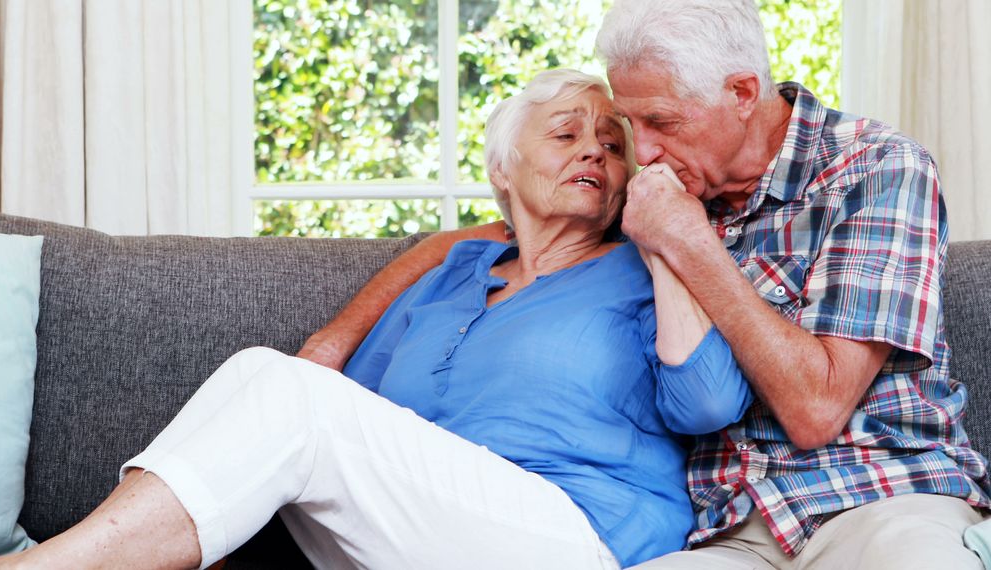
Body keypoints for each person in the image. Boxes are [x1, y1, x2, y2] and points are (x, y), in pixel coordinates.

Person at [299, 1, 991, 568]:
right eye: (632, 125)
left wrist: (687, 242)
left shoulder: (872, 169)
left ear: (743, 92)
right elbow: (506, 235)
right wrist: (334, 342)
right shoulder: (654, 197)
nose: (642, 151)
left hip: (882, 496)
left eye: (659, 122)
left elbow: (816, 410)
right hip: (725, 531)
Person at [0, 69, 751, 570]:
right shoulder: (452, 275)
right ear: (501, 169)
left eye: (612, 146)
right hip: (417, 537)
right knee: (265, 375)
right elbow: (351, 428)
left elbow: (709, 403)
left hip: (574, 535)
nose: (595, 151)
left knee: (282, 388)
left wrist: (666, 241)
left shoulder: (638, 270)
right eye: (566, 133)